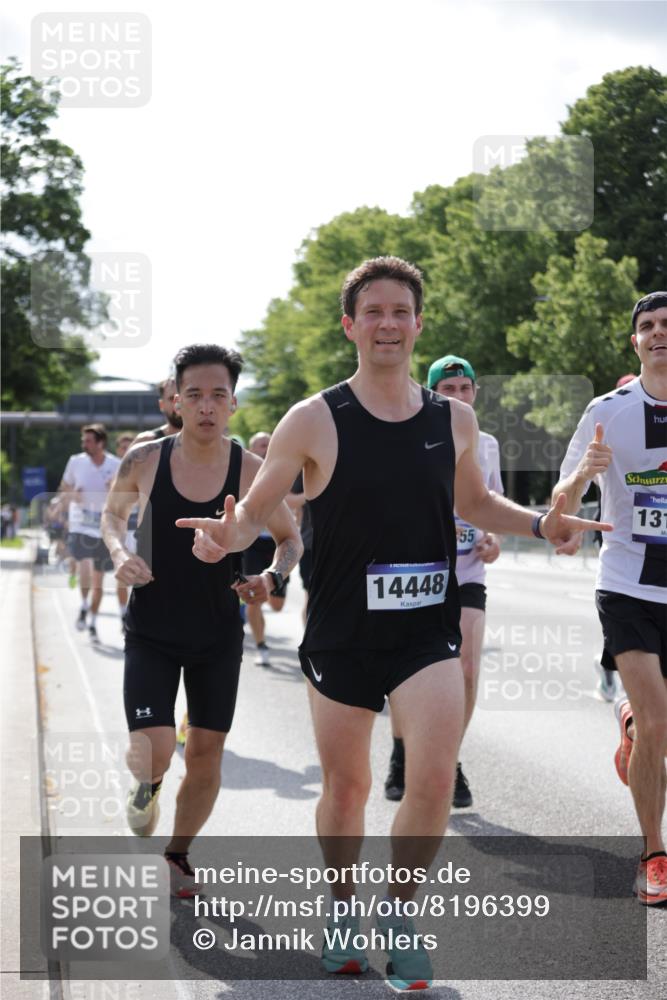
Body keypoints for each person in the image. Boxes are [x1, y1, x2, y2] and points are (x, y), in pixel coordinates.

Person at [177, 257, 607, 989]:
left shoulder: (453, 419)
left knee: (432, 778)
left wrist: (542, 522)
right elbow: (254, 512)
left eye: (400, 311)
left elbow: (473, 503)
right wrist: (227, 535)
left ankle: (400, 916)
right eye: (372, 311)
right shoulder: (313, 418)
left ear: (417, 324)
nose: (387, 323)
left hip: (426, 629)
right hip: (341, 630)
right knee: (347, 788)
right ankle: (343, 909)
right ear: (350, 325)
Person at [101, 344, 301, 897]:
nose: (207, 406)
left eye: (218, 395)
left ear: (233, 403)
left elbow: (289, 540)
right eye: (194, 395)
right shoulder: (145, 459)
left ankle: (178, 854)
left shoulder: (254, 470)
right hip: (152, 630)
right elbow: (112, 516)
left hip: (217, 634)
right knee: (154, 750)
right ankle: (148, 786)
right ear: (176, 401)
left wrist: (271, 579)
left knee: (206, 754)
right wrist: (119, 554)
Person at [553, 291, 667, 907]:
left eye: (666, 324)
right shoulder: (608, 411)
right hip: (628, 584)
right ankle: (653, 854)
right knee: (658, 721)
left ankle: (631, 730)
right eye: (647, 326)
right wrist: (583, 472)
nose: (658, 333)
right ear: (635, 342)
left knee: (655, 727)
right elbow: (560, 504)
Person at [384, 355, 502, 809]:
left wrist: (493, 539)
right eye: (448, 389)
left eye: (464, 388)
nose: (458, 396)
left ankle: (449, 759)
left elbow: (492, 504)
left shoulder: (486, 443)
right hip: (418, 573)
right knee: (409, 672)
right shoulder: (409, 436)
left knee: (466, 669)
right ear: (432, 393)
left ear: (475, 392)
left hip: (468, 572)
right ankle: (401, 754)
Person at [58, 424, 122, 641]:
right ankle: (84, 603)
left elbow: (126, 494)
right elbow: (64, 485)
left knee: (98, 581)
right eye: (83, 440)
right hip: (81, 522)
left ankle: (92, 620)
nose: (84, 444)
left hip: (103, 524)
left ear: (101, 443)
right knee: (84, 564)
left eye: (88, 441)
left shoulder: (116, 464)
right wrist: (72, 494)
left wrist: (114, 488)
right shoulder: (76, 461)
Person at [242, 431, 292, 667]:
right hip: (252, 543)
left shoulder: (285, 469)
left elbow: (292, 502)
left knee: (277, 605)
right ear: (252, 449)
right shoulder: (244, 473)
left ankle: (267, 601)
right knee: (254, 598)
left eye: (269, 444)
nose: (266, 448)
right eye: (261, 444)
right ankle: (261, 645)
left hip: (278, 542)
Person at [132, 377, 183, 444]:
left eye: (181, 397)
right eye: (171, 398)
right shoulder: (145, 442)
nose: (177, 404)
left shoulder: (198, 440)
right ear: (161, 405)